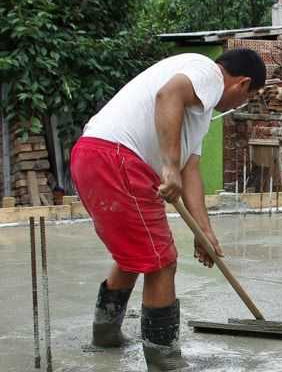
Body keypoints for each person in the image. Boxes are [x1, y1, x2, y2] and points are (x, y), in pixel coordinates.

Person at [70, 49, 266, 371]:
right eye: (248, 97)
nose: (240, 106)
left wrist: (204, 233)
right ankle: (165, 361)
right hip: (116, 157)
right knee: (162, 262)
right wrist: (169, 166)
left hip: (94, 154)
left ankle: (105, 336)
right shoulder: (207, 72)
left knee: (135, 254)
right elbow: (168, 95)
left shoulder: (199, 114)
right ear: (242, 84)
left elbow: (191, 172)